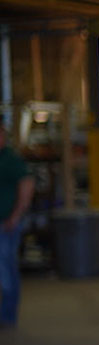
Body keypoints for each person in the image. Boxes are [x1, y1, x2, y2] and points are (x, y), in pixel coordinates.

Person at [0, 125, 34, 328]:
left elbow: (27, 185)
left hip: (6, 224)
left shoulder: (11, 160)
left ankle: (7, 315)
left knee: (6, 269)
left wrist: (16, 215)